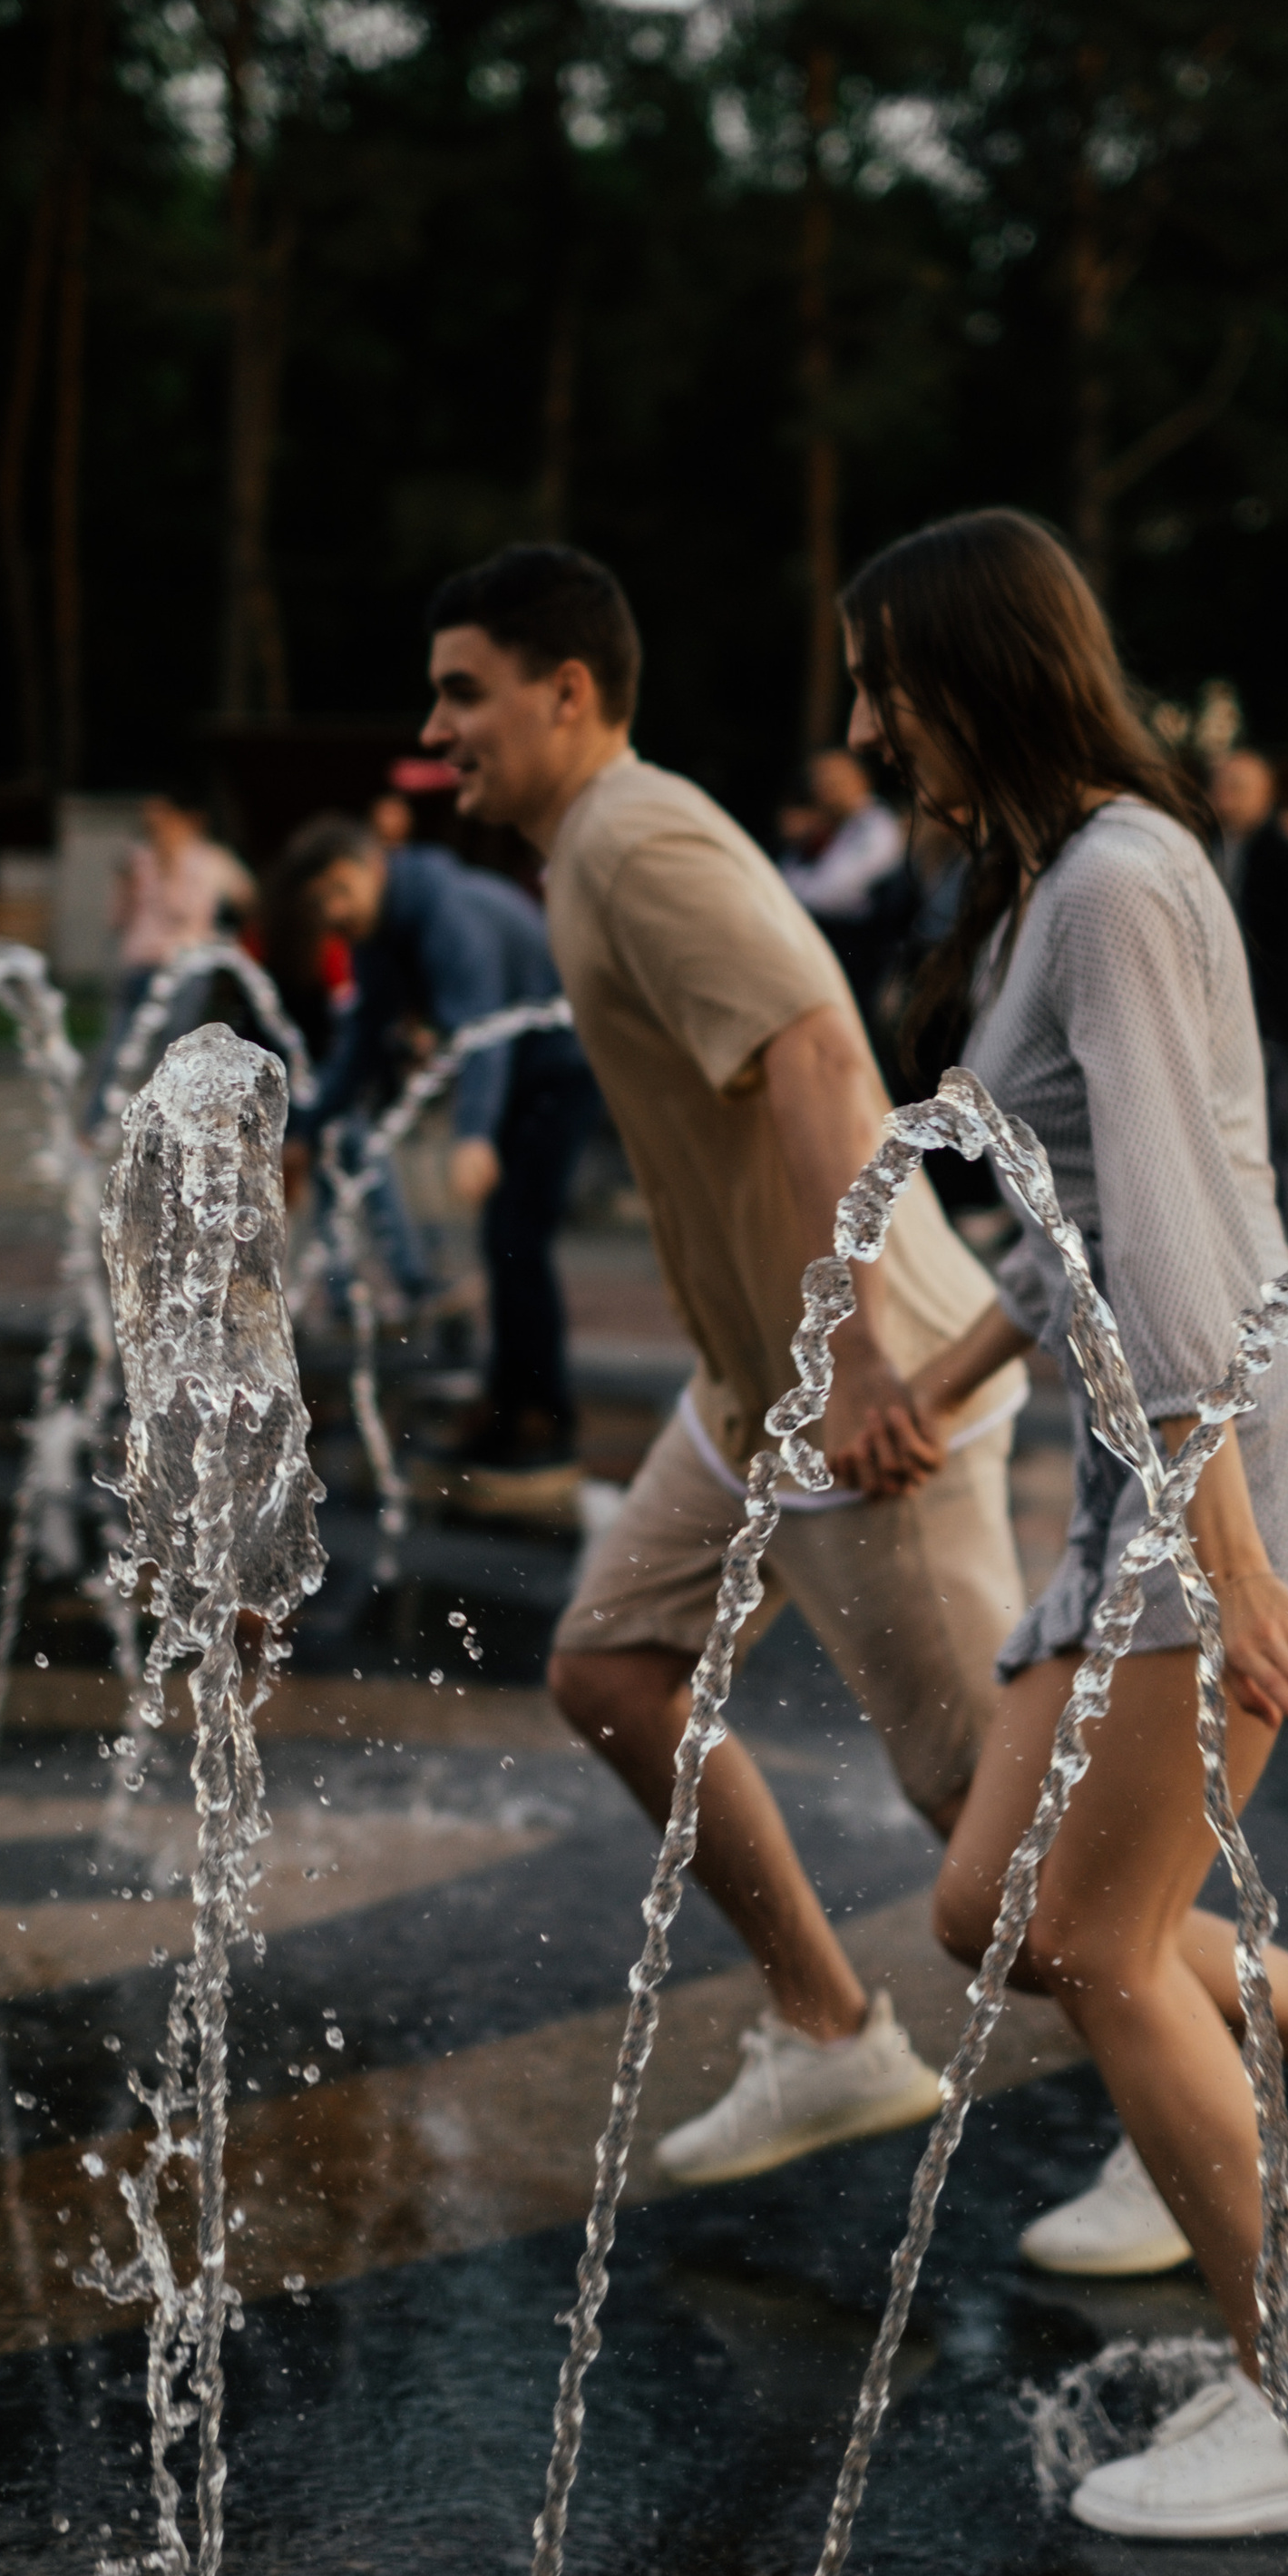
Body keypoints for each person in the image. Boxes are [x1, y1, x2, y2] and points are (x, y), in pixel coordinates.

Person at [839, 511, 1288, 2541]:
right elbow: (1083, 1218)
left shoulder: (1107, 885)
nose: (860, 726)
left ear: (967, 670)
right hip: (1148, 1467)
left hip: (1218, 1460)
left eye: (878, 683)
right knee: (997, 1908)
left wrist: (1235, 1568)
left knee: (1093, 1940)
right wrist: (950, 1378)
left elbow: (1177, 1235)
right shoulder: (1066, 886)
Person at [420, 541, 1031, 2185]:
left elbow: (817, 1051)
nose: (439, 726)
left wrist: (851, 1362)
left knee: (1003, 1849)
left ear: (569, 695)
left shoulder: (636, 839)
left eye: (465, 693)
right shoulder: (588, 852)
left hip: (863, 1398)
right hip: (760, 1393)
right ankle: (832, 2032)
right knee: (616, 1664)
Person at [288, 814, 601, 1485]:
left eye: (339, 892)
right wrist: (303, 1134)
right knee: (504, 1241)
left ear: (372, 863)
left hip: (558, 1071)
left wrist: (473, 1136)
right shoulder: (379, 935)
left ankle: (543, 1416)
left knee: (519, 1241)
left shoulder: (447, 912)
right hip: (515, 1074)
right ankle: (510, 1400)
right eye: (321, 907)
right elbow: (362, 1047)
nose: (334, 915)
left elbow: (483, 1030)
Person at [1206, 748, 1288, 1239]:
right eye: (1221, 786)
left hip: (1266, 1019)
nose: (1225, 798)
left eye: (1239, 788)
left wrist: (1279, 1018)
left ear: (1265, 796)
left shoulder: (1284, 854)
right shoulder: (1207, 848)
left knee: (1274, 1139)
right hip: (1214, 1020)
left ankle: (1283, 1241)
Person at [93, 788, 255, 1118]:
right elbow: (116, 920)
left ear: (187, 820)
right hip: (139, 964)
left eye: (163, 819)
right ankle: (91, 1130)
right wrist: (125, 887)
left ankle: (165, 1123)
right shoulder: (137, 860)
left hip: (184, 969)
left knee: (174, 1050)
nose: (157, 829)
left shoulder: (209, 860)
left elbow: (244, 899)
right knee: (115, 1052)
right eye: (150, 824)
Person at [776, 747, 912, 1045]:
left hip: (859, 959)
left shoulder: (877, 828)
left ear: (861, 780)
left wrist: (784, 898)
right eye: (819, 779)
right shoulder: (828, 831)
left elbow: (832, 893)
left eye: (834, 779)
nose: (824, 788)